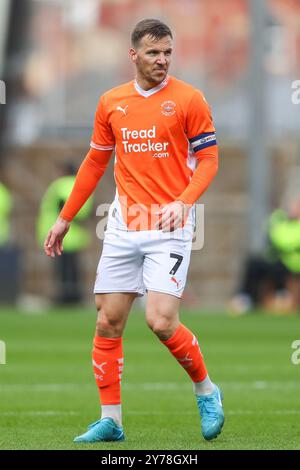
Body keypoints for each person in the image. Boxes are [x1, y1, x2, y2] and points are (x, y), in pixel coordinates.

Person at [44, 18, 224, 443]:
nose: (162, 60)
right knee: (108, 319)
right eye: (153, 53)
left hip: (171, 223)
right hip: (125, 223)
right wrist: (66, 217)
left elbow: (210, 159)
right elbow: (94, 163)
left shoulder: (189, 99)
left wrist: (183, 203)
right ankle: (112, 420)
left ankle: (206, 389)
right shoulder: (112, 102)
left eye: (167, 53)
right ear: (134, 55)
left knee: (161, 321)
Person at [38, 163, 94, 304]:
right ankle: (75, 296)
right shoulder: (80, 183)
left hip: (63, 234)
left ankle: (65, 297)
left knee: (64, 269)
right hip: (76, 234)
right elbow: (88, 211)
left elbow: (63, 206)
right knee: (73, 268)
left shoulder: (61, 185)